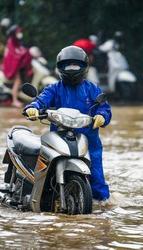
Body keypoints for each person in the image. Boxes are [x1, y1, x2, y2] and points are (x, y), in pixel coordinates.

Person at [24, 46, 112, 201]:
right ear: (60, 67)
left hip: (89, 141)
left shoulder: (93, 89)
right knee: (46, 168)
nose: (71, 69)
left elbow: (104, 108)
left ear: (84, 67)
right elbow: (41, 100)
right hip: (59, 138)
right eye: (67, 65)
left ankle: (101, 205)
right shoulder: (54, 88)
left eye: (75, 65)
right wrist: (33, 108)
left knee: (97, 175)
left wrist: (102, 116)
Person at [1, 25, 32, 108]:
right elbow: (12, 55)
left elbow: (20, 50)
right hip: (10, 66)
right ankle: (14, 100)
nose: (19, 34)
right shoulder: (11, 42)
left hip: (17, 65)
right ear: (14, 33)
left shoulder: (17, 41)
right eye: (18, 32)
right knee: (18, 81)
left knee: (21, 80)